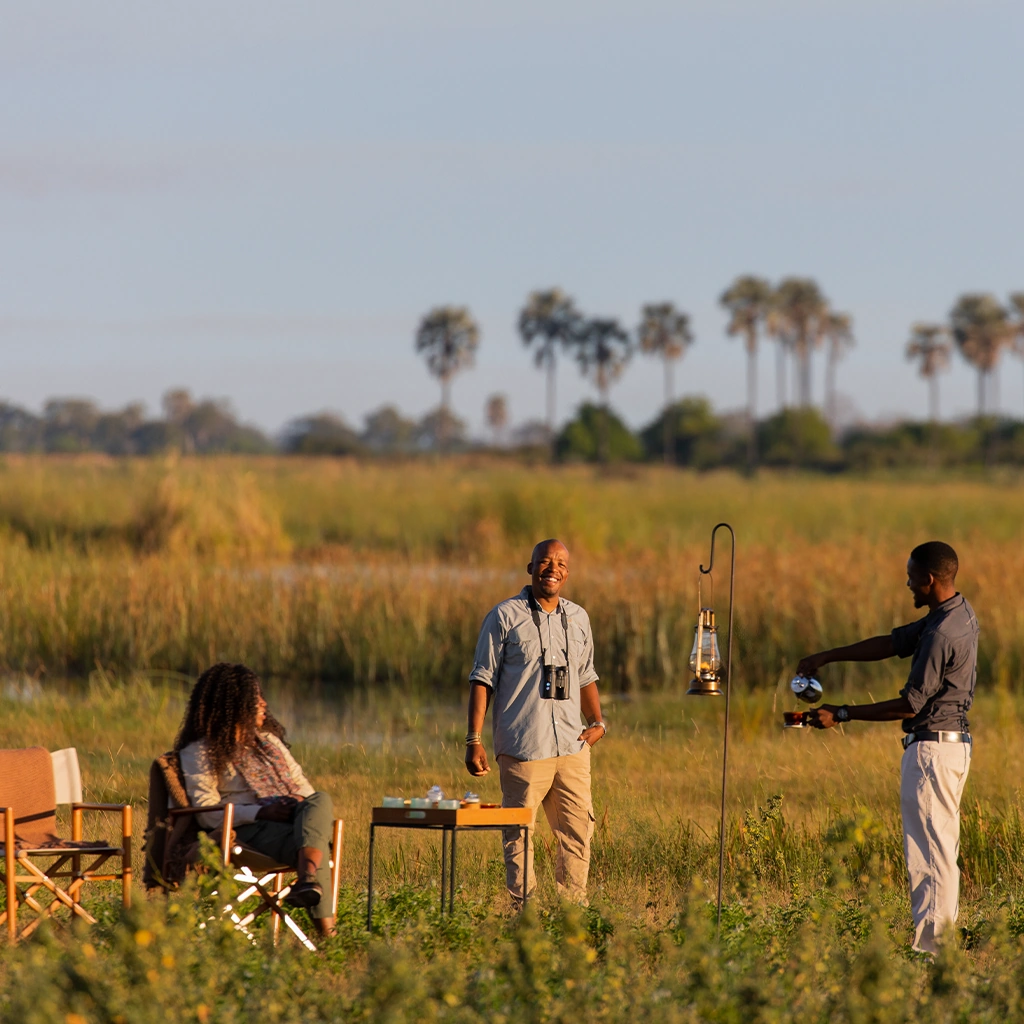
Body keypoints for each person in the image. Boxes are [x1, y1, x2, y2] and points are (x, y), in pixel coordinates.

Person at [797, 541, 978, 955]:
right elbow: (891, 643)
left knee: (929, 855)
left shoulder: (941, 633)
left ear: (929, 580)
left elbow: (909, 704)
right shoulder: (954, 614)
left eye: (912, 576)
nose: (908, 583)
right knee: (940, 850)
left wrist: (841, 714)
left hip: (932, 751)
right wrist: (826, 657)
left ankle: (933, 953)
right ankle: (940, 946)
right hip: (948, 747)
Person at [465, 538, 606, 906]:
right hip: (525, 747)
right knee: (520, 834)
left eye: (560, 564)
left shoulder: (578, 618)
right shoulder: (504, 616)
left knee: (578, 833)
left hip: (573, 747)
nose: (552, 569)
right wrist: (473, 740)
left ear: (567, 573)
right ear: (530, 568)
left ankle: (572, 915)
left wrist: (598, 723)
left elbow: (586, 675)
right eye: (545, 562)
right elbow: (482, 679)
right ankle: (524, 917)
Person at [176, 662, 336, 936]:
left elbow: (305, 790)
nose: (263, 703)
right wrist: (261, 813)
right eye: (255, 698)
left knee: (319, 800)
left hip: (292, 825)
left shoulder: (270, 745)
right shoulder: (199, 753)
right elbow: (207, 813)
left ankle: (308, 879)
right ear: (233, 705)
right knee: (314, 839)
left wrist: (293, 800)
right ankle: (327, 934)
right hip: (247, 835)